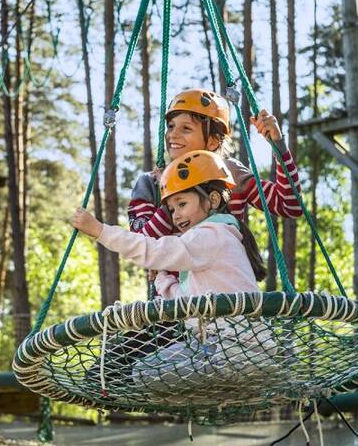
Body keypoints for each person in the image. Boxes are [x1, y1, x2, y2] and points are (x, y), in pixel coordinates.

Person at [73, 151, 277, 396]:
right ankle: (223, 392)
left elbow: (150, 248)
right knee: (144, 371)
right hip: (240, 353)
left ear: (212, 200)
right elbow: (184, 301)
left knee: (141, 373)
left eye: (182, 204)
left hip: (230, 351)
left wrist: (99, 231)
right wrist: (162, 277)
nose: (176, 214)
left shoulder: (211, 234)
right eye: (171, 209)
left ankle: (205, 393)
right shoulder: (213, 244)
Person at [128, 88, 302, 240]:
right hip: (177, 278)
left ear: (212, 141)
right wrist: (170, 198)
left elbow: (290, 206)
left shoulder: (230, 173)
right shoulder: (150, 184)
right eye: (171, 126)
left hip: (224, 275)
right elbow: (139, 244)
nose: (172, 134)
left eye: (186, 128)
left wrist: (278, 145)